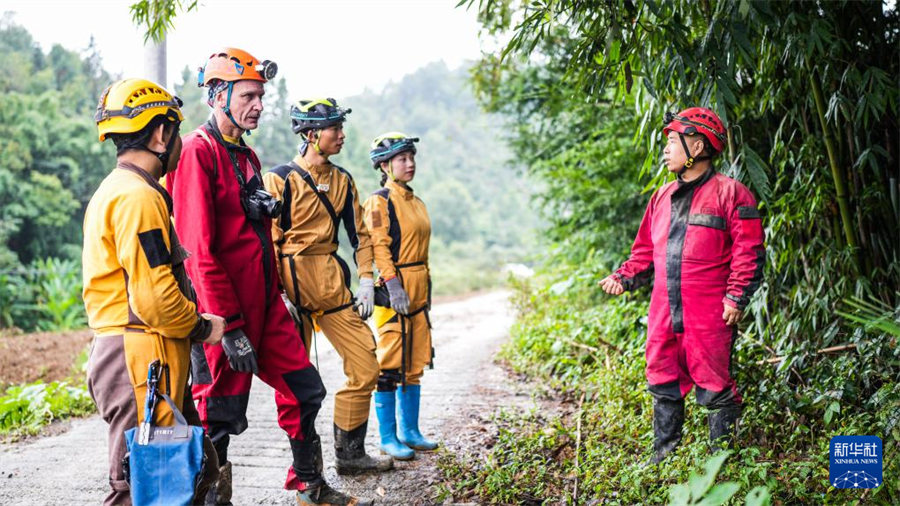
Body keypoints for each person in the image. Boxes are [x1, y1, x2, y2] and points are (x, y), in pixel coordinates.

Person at [168, 49, 365, 505]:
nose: (259, 104)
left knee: (305, 388)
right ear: (218, 95)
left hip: (267, 303)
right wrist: (229, 327)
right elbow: (197, 248)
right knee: (219, 413)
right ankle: (209, 499)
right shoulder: (199, 151)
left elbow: (250, 228)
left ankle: (309, 485)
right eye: (249, 95)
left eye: (261, 96)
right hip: (223, 313)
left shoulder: (247, 154)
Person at [84, 77, 225, 505]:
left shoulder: (120, 189)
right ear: (162, 133)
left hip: (144, 356)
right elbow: (155, 297)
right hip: (141, 357)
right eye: (176, 130)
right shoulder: (137, 199)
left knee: (188, 471)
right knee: (149, 484)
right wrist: (203, 328)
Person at [599, 108, 765, 463]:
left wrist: (736, 296)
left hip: (707, 313)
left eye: (673, 142)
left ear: (699, 145)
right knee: (662, 378)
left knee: (716, 385)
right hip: (663, 310)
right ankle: (664, 458)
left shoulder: (732, 194)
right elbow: (644, 251)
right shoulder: (660, 197)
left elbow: (748, 252)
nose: (666, 150)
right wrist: (623, 277)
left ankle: (723, 464)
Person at [263, 98, 392, 476]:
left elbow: (361, 236)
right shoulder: (280, 179)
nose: (342, 135)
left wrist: (367, 279)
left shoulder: (343, 180)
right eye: (335, 129)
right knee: (296, 389)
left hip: (333, 288)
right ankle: (306, 472)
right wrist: (277, 296)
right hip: (293, 293)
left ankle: (350, 453)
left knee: (366, 365)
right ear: (310, 134)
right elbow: (267, 241)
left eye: (340, 127)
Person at [362, 133, 439, 460]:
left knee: (414, 362)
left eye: (411, 157)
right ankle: (388, 436)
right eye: (402, 159)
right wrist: (392, 285)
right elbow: (378, 244)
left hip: (419, 288)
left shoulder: (416, 201)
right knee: (390, 363)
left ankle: (410, 431)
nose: (410, 164)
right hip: (395, 289)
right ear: (384, 165)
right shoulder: (381, 201)